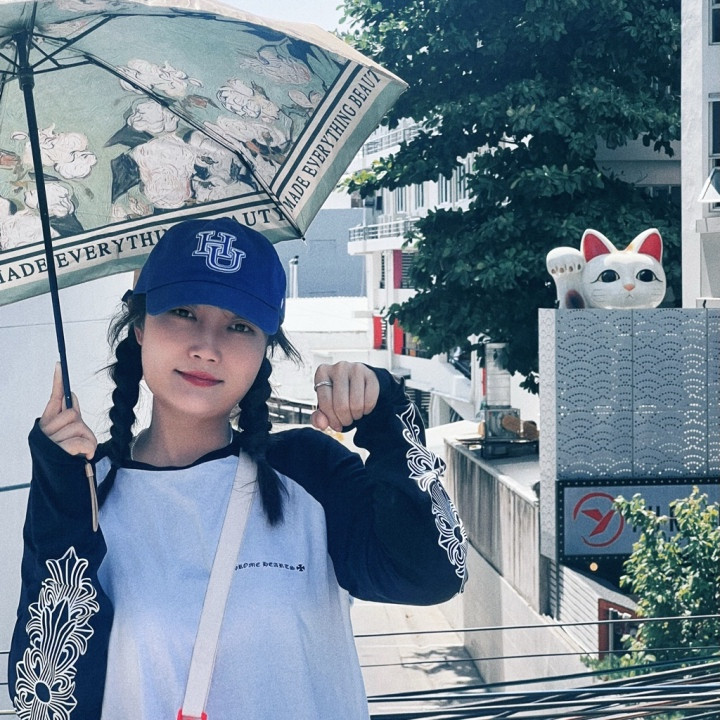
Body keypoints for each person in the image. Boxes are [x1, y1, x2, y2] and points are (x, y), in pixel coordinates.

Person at [9, 217, 467, 720]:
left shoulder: (307, 471)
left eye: (239, 325)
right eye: (183, 312)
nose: (207, 347)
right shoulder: (85, 493)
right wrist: (60, 499)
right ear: (140, 327)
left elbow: (433, 575)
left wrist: (388, 420)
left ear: (264, 348)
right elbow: (44, 701)